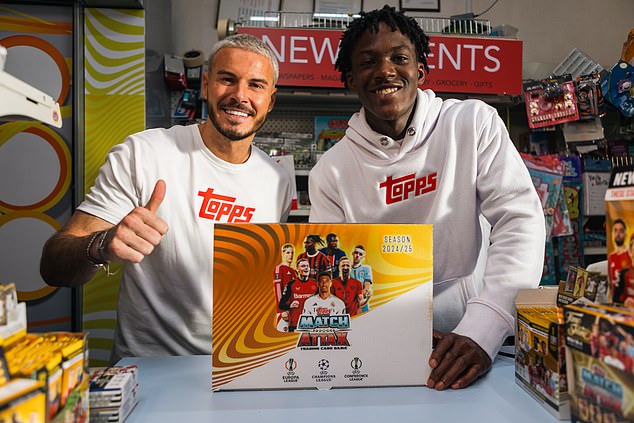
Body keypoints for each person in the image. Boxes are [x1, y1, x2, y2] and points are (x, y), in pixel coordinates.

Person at [308, 5, 545, 390]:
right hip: (379, 342)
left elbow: (520, 220)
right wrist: (392, 338)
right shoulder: (329, 173)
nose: (386, 70)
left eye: (399, 58)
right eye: (369, 61)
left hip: (482, 334)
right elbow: (335, 273)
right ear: (350, 79)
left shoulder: (472, 123)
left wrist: (484, 327)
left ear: (420, 71)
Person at [39, 34, 294, 361]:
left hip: (238, 364)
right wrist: (102, 244)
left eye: (256, 85)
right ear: (205, 85)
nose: (239, 96)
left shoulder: (278, 179)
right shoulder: (143, 154)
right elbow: (53, 266)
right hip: (150, 372)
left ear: (270, 101)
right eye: (227, 79)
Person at [279, 258, 318, 331]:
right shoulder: (291, 284)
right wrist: (290, 305)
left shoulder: (315, 284)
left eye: (307, 266)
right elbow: (281, 304)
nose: (306, 268)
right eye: (303, 266)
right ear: (297, 269)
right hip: (295, 324)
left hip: (312, 324)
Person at [273, 243, 297, 331]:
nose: (290, 255)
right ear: (283, 254)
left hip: (293, 311)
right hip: (284, 311)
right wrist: (281, 310)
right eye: (288, 253)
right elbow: (278, 290)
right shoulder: (279, 269)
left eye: (292, 253)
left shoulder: (294, 271)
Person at [349, 245, 373, 313]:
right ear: (353, 253)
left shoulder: (366, 269)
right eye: (356, 253)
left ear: (363, 257)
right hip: (349, 305)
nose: (357, 255)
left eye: (360, 254)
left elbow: (366, 289)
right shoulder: (346, 268)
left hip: (362, 304)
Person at [608, 218, 631, 287]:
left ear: (625, 234)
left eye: (621, 231)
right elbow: (610, 282)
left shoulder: (630, 255)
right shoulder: (611, 257)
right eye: (615, 231)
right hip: (615, 296)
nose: (618, 234)